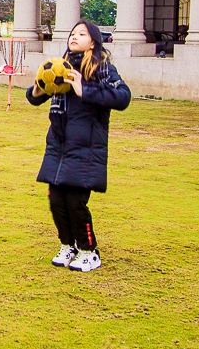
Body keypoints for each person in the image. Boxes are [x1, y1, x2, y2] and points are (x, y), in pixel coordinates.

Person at [26, 19, 131, 272]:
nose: (74, 37)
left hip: (86, 147)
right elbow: (34, 95)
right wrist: (38, 90)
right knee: (56, 201)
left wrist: (86, 90)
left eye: (81, 34)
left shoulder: (102, 68)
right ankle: (67, 245)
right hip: (58, 146)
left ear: (93, 41)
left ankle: (89, 250)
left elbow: (123, 96)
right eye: (72, 33)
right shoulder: (59, 66)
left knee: (75, 202)